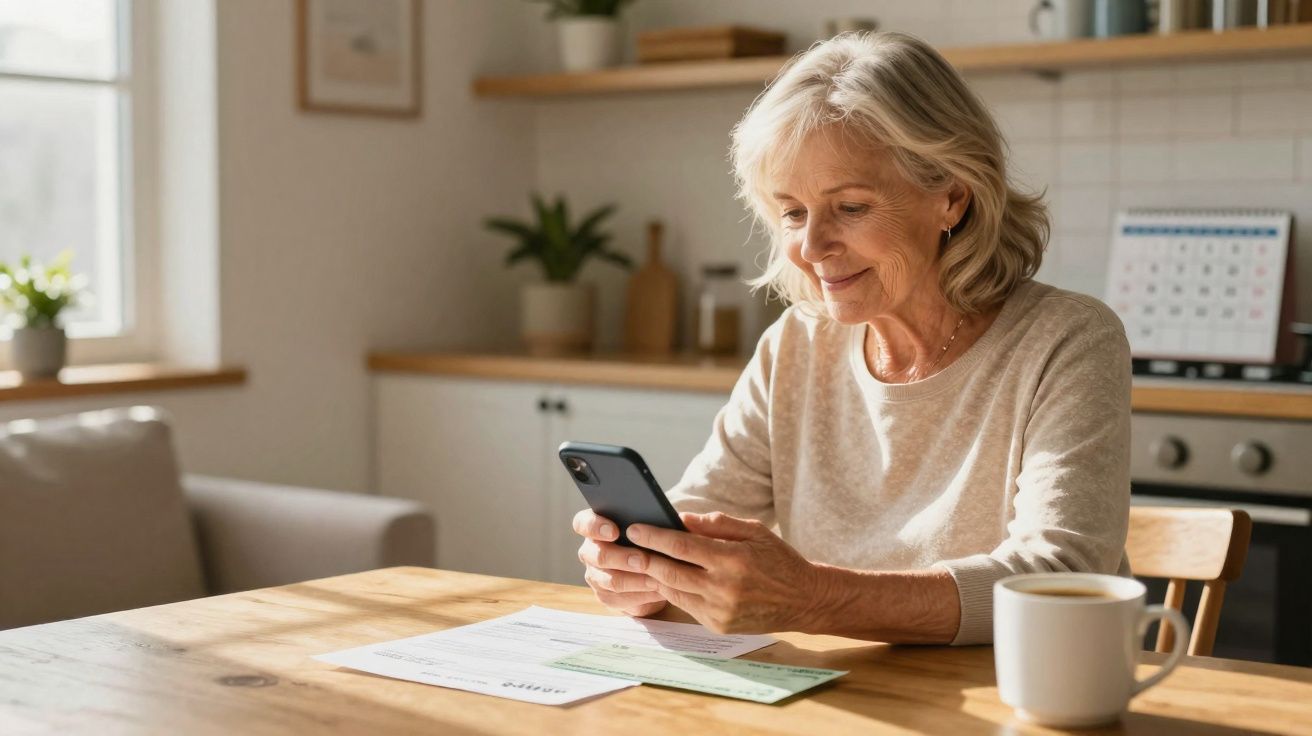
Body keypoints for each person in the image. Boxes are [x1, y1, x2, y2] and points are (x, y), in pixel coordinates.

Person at [573, 31, 1131, 645]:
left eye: (851, 208)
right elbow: (699, 517)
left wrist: (813, 600)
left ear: (950, 197)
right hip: (846, 698)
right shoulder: (796, 344)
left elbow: (1061, 579)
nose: (812, 248)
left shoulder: (1068, 340)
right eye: (792, 212)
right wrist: (641, 568)